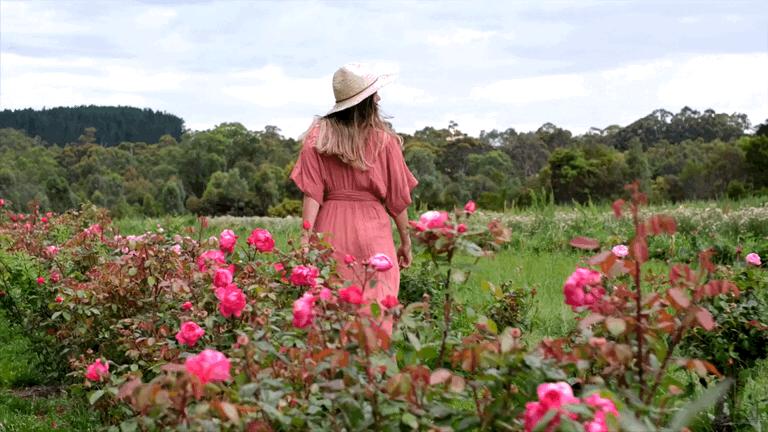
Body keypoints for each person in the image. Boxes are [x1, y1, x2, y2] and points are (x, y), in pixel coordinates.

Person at [290, 63, 418, 334]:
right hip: (375, 232)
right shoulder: (385, 141)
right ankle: (374, 370)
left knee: (333, 312)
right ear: (367, 102)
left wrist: (305, 239)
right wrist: (405, 241)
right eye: (375, 94)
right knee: (377, 313)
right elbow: (397, 199)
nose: (379, 98)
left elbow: (312, 194)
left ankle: (335, 370)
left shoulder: (317, 137)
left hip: (330, 230)